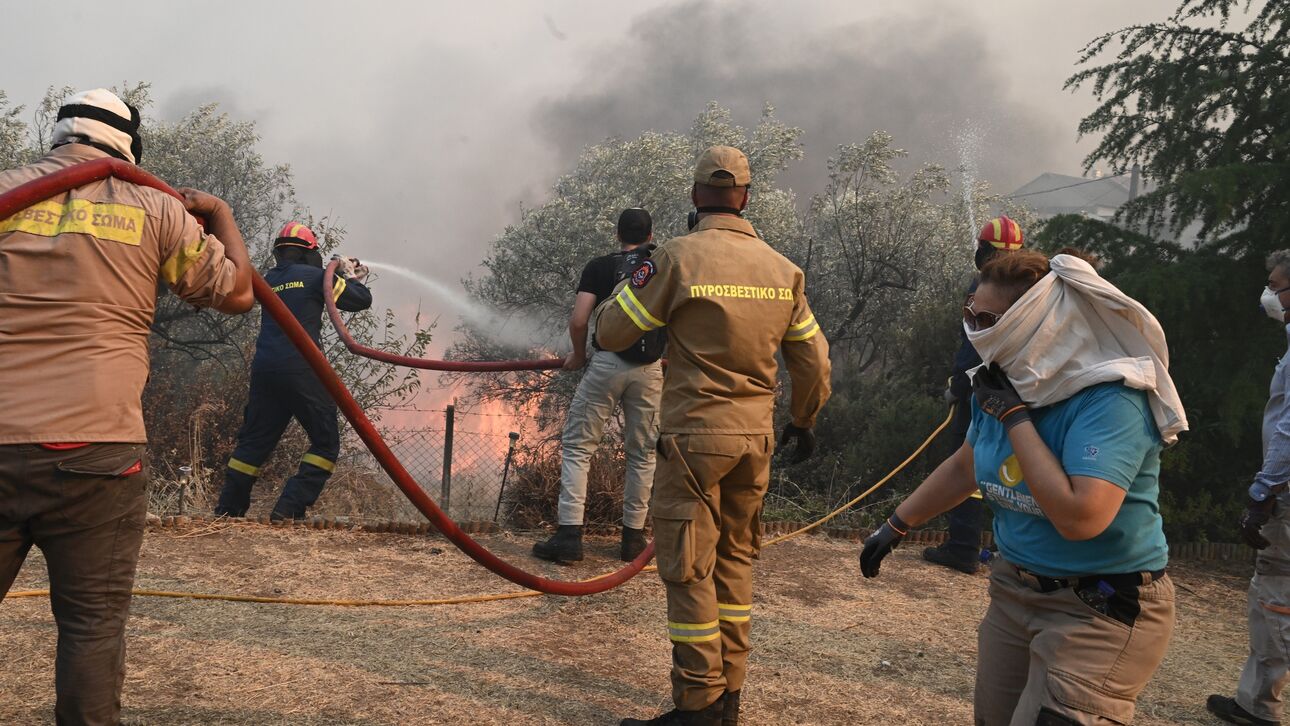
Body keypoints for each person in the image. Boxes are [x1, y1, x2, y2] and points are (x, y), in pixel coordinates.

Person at [0, 88, 254, 725]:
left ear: (57, 137)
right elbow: (240, 295)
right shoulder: (158, 209)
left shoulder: (6, 193)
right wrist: (218, 210)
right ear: (128, 145)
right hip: (97, 449)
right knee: (90, 628)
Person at [859, 249, 1189, 725]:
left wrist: (1015, 418)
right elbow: (966, 464)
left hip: (1101, 605)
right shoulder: (1005, 380)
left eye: (988, 318)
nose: (974, 327)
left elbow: (1081, 517)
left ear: (1035, 320)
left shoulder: (1111, 398)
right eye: (969, 313)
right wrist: (895, 526)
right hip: (1014, 592)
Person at [598, 146, 832, 726]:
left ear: (695, 198)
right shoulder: (784, 270)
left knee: (686, 568)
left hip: (694, 440)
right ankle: (730, 694)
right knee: (734, 563)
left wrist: (638, 282)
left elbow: (610, 329)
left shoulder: (678, 258)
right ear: (746, 197)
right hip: (754, 440)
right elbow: (815, 363)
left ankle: (698, 702)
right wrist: (802, 420)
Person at [533, 208, 665, 563]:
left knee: (579, 448)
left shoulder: (600, 267)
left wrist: (578, 355)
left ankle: (569, 537)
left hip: (607, 364)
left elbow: (579, 320)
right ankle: (633, 540)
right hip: (650, 369)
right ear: (651, 235)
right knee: (643, 455)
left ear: (617, 234)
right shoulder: (663, 265)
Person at [214, 224, 372, 521]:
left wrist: (335, 274)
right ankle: (288, 508)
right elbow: (360, 301)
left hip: (266, 371)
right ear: (310, 253)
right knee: (325, 443)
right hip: (303, 369)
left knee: (254, 443)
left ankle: (227, 511)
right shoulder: (315, 277)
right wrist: (351, 277)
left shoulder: (268, 279)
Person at [1207, 249, 1290, 726]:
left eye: (1276, 286)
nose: (1269, 294)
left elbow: (1289, 431)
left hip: (1285, 497)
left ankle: (1260, 709)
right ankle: (1255, 700)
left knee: (1275, 596)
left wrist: (1263, 492)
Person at [924, 215, 1026, 575]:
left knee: (966, 468)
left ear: (984, 250)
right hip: (1024, 399)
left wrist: (956, 386)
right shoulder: (1033, 287)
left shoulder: (983, 287)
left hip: (981, 395)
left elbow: (972, 348)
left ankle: (963, 547)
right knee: (1014, 471)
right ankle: (1009, 551)